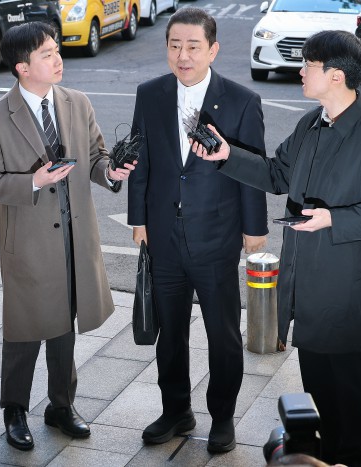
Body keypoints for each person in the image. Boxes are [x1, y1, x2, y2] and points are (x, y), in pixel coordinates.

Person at [192, 30, 361, 466]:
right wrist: (226, 156)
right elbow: (278, 175)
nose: (301, 72)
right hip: (305, 277)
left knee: (347, 383)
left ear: (335, 76)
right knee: (316, 381)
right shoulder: (311, 123)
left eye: (308, 65)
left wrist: (333, 218)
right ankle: (324, 455)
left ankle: (353, 459)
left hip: (347, 282)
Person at [0, 22, 135, 451]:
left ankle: (62, 405)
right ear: (22, 67)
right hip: (27, 241)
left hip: (75, 236)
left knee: (65, 326)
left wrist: (111, 172)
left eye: (56, 50)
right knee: (24, 330)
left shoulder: (77, 103)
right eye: (47, 54)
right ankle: (15, 409)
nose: (58, 59)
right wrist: (33, 180)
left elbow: (96, 156)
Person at [127, 7, 268, 454]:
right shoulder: (150, 94)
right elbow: (140, 162)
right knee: (170, 331)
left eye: (192, 46)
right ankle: (176, 411)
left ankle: (222, 417)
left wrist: (254, 229)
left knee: (222, 333)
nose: (182, 55)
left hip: (217, 236)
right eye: (174, 46)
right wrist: (138, 220)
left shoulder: (242, 101)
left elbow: (253, 169)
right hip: (163, 237)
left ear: (213, 50)